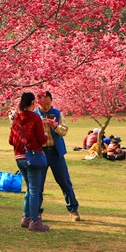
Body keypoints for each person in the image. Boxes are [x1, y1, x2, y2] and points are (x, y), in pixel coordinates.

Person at [36, 90, 81, 221]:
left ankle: (73, 210)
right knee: (38, 184)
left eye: (48, 104)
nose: (46, 106)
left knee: (65, 182)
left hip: (55, 152)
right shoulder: (34, 115)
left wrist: (54, 126)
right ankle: (37, 211)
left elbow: (64, 131)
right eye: (43, 104)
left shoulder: (57, 113)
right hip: (40, 153)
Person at [9, 92, 50, 231]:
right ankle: (34, 220)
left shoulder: (17, 119)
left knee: (29, 187)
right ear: (32, 103)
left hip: (19, 157)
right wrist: (44, 135)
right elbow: (42, 139)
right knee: (34, 189)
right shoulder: (35, 118)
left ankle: (26, 217)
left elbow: (11, 140)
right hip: (32, 156)